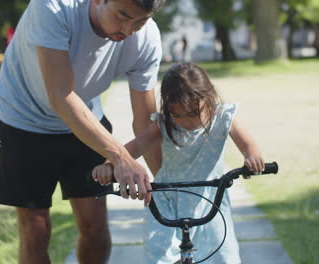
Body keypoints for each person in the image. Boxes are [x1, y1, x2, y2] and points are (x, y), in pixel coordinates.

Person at [0, 0, 166, 263]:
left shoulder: (147, 38)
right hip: (23, 119)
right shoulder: (53, 7)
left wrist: (165, 184)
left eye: (139, 21)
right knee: (35, 230)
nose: (127, 30)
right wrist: (122, 158)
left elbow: (144, 122)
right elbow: (60, 97)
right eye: (122, 16)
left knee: (94, 225)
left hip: (85, 118)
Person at [92, 63, 265, 263]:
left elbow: (248, 144)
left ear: (208, 98)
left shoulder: (223, 117)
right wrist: (110, 163)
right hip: (167, 198)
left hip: (209, 197)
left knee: (222, 254)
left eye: (193, 114)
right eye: (177, 115)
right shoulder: (164, 123)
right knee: (160, 255)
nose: (185, 122)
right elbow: (135, 147)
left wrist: (252, 156)